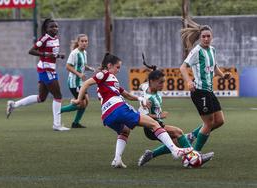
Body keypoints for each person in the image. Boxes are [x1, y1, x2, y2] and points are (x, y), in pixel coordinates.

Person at [71, 52, 193, 168]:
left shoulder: (111, 81)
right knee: (154, 124)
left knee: (125, 131)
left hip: (107, 116)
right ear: (109, 66)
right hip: (118, 108)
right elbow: (86, 83)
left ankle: (117, 159)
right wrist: (78, 100)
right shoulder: (105, 74)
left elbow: (128, 95)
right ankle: (175, 150)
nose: (118, 70)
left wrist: (141, 99)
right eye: (117, 67)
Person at [137, 69, 214, 167]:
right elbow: (143, 116)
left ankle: (151, 154)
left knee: (177, 143)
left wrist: (152, 74)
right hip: (151, 127)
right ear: (152, 81)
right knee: (178, 132)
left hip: (157, 124)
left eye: (163, 82)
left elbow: (141, 86)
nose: (162, 85)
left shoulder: (147, 87)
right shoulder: (147, 99)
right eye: (160, 82)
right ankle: (195, 157)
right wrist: (159, 116)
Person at [6, 18, 70, 131]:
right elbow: (31, 51)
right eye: (52, 27)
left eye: (56, 26)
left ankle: (14, 105)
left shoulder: (55, 38)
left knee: (41, 98)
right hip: (46, 69)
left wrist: (59, 56)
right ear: (46, 29)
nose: (55, 28)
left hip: (48, 68)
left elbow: (51, 54)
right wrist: (45, 54)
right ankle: (57, 125)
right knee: (58, 96)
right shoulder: (44, 38)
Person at [179, 17, 232, 152]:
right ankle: (194, 155)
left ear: (212, 37)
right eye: (204, 36)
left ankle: (192, 136)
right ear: (200, 38)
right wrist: (189, 81)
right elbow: (183, 67)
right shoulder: (196, 51)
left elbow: (214, 67)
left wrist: (223, 75)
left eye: (208, 36)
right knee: (208, 123)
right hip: (199, 91)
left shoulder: (212, 50)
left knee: (219, 121)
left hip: (209, 91)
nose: (206, 39)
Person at [60, 34, 95, 128]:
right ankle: (59, 110)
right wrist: (79, 74)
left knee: (86, 102)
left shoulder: (84, 53)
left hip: (80, 82)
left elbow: (83, 66)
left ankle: (75, 123)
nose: (84, 43)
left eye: (86, 41)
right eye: (82, 41)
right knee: (82, 103)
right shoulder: (74, 53)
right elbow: (68, 66)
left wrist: (91, 69)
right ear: (78, 42)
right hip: (74, 82)